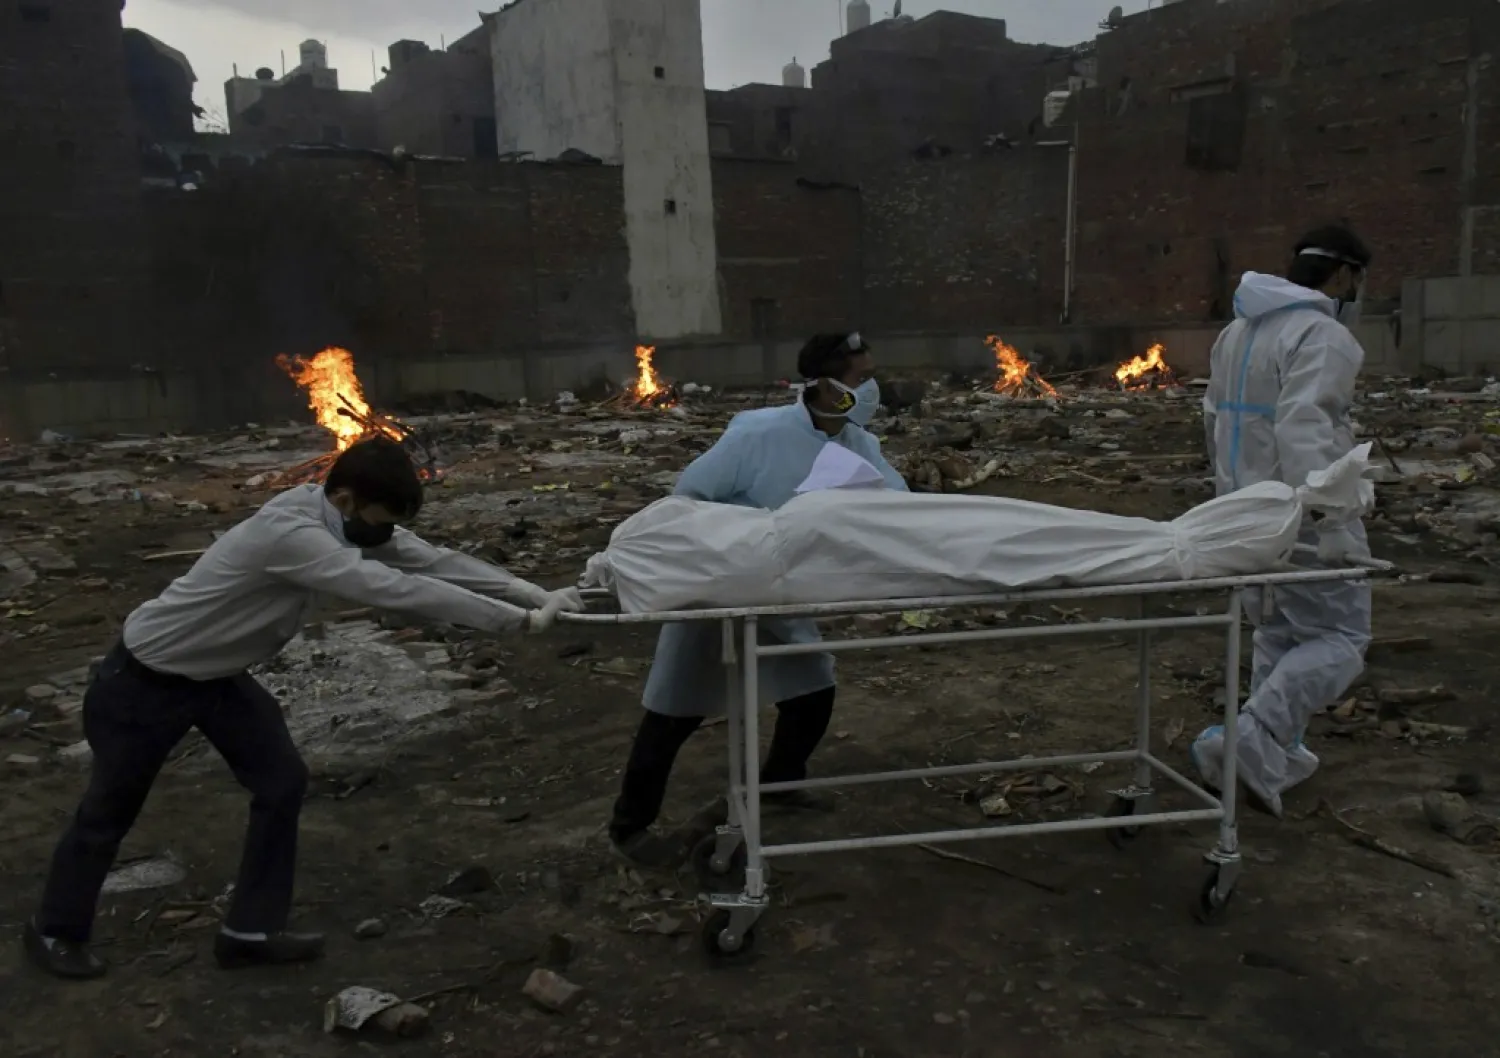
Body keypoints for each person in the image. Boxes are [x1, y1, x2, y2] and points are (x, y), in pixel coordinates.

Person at [26, 437, 582, 979]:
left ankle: (249, 932)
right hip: (143, 682)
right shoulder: (291, 535)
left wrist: (526, 591)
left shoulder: (340, 521)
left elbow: (427, 559)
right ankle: (55, 930)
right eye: (378, 519)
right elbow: (389, 587)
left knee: (280, 782)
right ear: (345, 500)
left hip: (217, 679)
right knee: (108, 813)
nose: (382, 533)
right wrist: (514, 622)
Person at [608, 332, 907, 867]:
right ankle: (630, 827)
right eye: (861, 379)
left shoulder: (857, 444)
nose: (869, 390)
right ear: (826, 384)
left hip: (783, 592)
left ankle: (781, 784)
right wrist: (739, 544)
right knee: (674, 712)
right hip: (721, 588)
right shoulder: (757, 433)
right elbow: (689, 496)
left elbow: (899, 507)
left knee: (813, 691)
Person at [1192, 224, 1374, 818]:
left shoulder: (1238, 333)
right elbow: (1305, 430)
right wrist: (1336, 521)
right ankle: (1251, 736)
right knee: (1341, 640)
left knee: (1277, 633)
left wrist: (1230, 506)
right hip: (1300, 516)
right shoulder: (1323, 336)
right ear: (1343, 275)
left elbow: (1216, 423)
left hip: (1246, 515)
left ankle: (1265, 756)